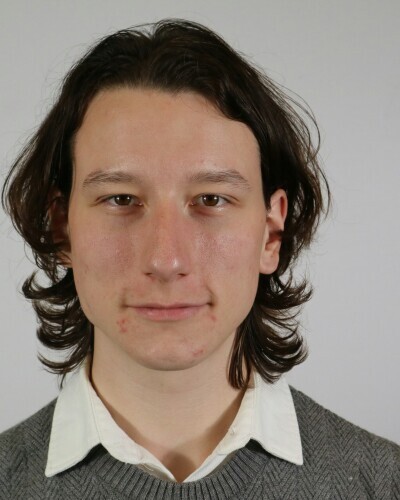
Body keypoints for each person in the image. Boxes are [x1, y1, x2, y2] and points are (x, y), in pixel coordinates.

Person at [0, 19, 398, 499]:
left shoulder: (386, 483)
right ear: (62, 227)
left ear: (271, 232)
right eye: (121, 199)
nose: (166, 260)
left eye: (211, 199)